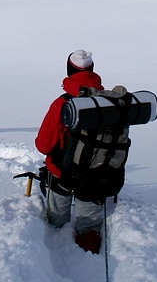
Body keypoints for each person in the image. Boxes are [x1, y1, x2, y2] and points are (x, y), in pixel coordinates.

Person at [35, 49, 106, 254]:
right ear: (92, 70)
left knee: (56, 222)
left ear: (69, 71)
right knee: (90, 229)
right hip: (96, 176)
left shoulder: (61, 104)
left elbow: (43, 145)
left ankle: (55, 250)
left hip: (62, 175)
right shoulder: (107, 102)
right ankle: (88, 252)